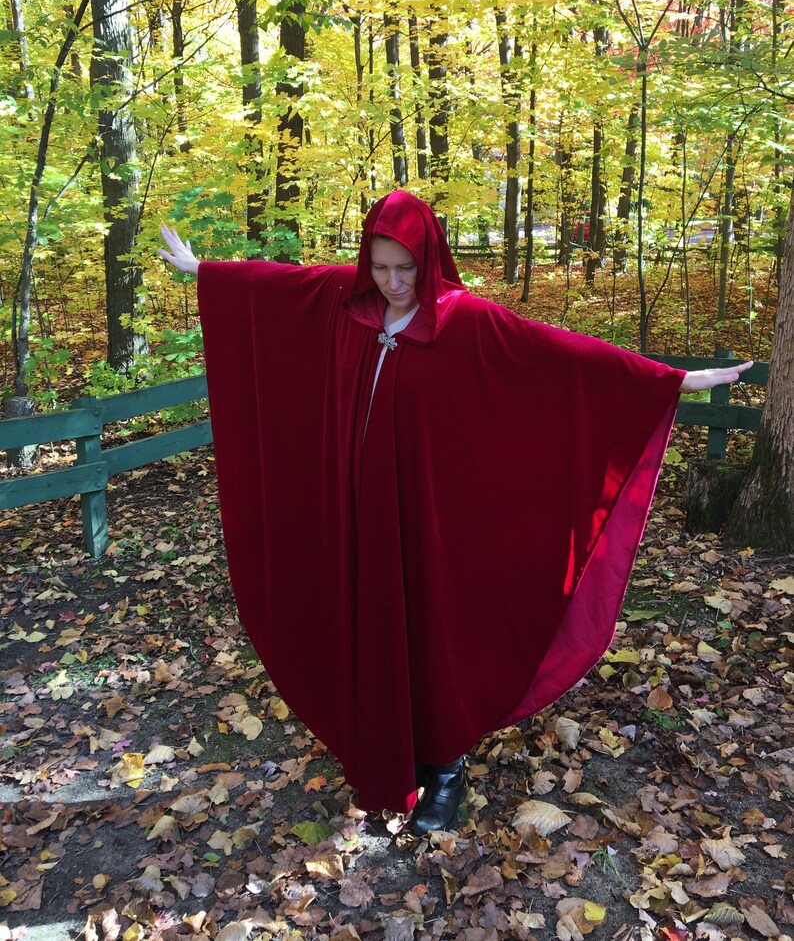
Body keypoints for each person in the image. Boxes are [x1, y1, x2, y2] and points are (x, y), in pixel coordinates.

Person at [159, 190, 752, 836]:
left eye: (404, 268)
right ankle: (384, 753)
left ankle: (443, 769)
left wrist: (672, 380)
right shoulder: (346, 304)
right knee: (370, 619)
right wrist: (203, 272)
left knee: (430, 628)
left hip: (428, 519)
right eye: (380, 267)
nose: (392, 283)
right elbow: (276, 289)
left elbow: (559, 355)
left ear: (429, 259)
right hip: (363, 514)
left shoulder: (463, 320)